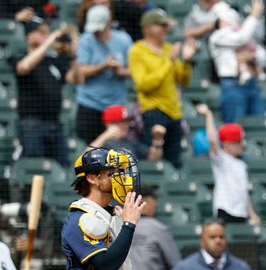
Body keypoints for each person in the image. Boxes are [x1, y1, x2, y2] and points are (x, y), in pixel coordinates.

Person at [128, 8, 195, 169]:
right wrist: (168, 62)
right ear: (148, 28)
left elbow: (184, 80)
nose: (165, 29)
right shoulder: (137, 51)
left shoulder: (167, 48)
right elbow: (144, 85)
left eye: (166, 26)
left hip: (174, 111)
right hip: (153, 111)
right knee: (151, 159)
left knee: (175, 160)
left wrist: (186, 61)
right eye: (161, 25)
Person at [11, 17, 76, 164]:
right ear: (29, 36)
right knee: (35, 167)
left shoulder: (54, 62)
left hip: (55, 124)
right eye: (41, 32)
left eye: (47, 32)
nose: (46, 35)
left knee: (62, 166)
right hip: (32, 124)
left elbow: (76, 79)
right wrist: (48, 43)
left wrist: (72, 55)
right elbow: (23, 68)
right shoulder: (20, 57)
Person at [74, 4, 133, 144]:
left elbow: (135, 71)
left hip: (115, 108)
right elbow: (80, 71)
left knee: (115, 150)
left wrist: (120, 71)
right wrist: (103, 66)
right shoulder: (86, 40)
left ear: (109, 23)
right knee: (90, 151)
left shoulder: (123, 40)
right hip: (90, 105)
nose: (96, 32)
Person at [197, 104, 261, 225]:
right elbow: (212, 140)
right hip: (225, 211)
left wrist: (252, 213)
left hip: (241, 213)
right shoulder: (221, 159)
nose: (242, 145)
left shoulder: (242, 165)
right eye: (237, 142)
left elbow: (244, 192)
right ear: (226, 144)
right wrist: (208, 115)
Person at [209, 0, 266, 123]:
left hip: (253, 84)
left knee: (259, 124)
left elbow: (263, 57)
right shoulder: (217, 37)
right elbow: (241, 39)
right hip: (232, 85)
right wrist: (254, 16)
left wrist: (252, 56)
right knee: (234, 126)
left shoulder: (243, 32)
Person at [91, 104, 165, 161]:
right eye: (120, 122)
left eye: (125, 121)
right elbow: (83, 159)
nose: (125, 125)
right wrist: (104, 136)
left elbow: (153, 158)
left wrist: (158, 140)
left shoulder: (130, 142)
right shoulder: (102, 143)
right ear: (108, 124)